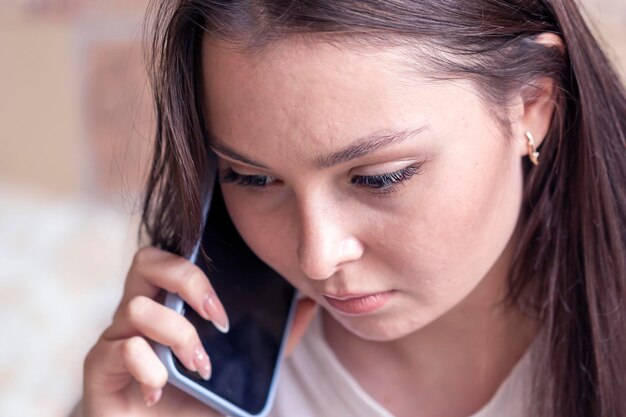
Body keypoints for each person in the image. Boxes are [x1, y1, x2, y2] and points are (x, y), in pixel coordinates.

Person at [72, 1, 626, 416]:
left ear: (532, 105)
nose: (317, 258)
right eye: (252, 177)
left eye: (378, 177)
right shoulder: (191, 378)